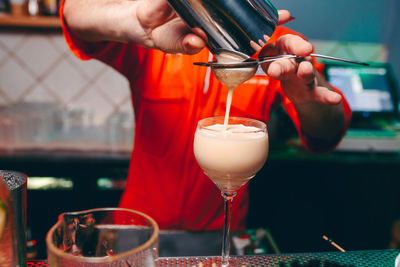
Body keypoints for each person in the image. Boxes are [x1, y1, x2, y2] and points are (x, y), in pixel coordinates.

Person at [60, 0, 351, 237]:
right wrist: (133, 19)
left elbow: (326, 133)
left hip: (222, 231)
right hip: (139, 226)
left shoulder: (278, 47)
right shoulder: (164, 31)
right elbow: (74, 14)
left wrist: (308, 94)